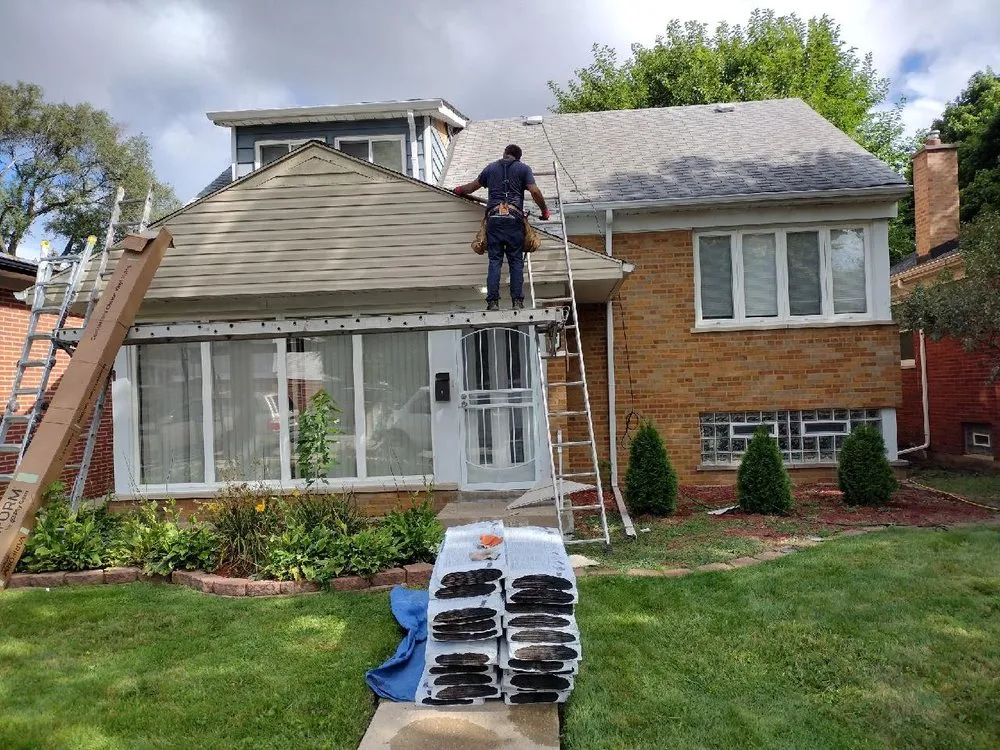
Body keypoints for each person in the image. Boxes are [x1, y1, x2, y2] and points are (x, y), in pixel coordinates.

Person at [453, 144, 549, 311]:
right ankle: (517, 302)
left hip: (494, 220)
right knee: (516, 262)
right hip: (514, 219)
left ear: (505, 154)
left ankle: (492, 303)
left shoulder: (490, 168)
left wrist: (459, 190)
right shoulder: (523, 169)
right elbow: (534, 191)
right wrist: (544, 211)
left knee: (495, 261)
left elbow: (472, 187)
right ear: (518, 158)